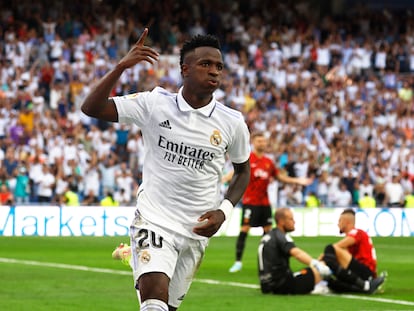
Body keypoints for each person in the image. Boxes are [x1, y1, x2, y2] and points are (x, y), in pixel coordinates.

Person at [81, 28, 251, 311]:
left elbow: (243, 171)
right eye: (205, 64)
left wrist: (224, 211)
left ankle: (132, 256)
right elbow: (91, 107)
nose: (214, 72)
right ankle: (140, 254)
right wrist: (121, 66)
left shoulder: (232, 122)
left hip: (197, 229)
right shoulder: (155, 104)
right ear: (185, 69)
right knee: (153, 304)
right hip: (154, 220)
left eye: (219, 67)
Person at [229, 132, 311, 273]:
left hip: (265, 203)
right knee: (244, 229)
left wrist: (297, 181)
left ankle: (266, 261)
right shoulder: (248, 159)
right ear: (253, 142)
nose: (262, 143)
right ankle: (238, 262)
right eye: (259, 141)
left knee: (267, 233)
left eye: (263, 141)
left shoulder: (269, 162)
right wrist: (223, 178)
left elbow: (280, 177)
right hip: (250, 202)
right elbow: (235, 173)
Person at [257, 207, 332, 294]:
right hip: (281, 285)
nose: (294, 222)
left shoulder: (269, 236)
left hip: (266, 285)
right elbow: (296, 253)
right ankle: (319, 286)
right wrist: (316, 264)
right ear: (281, 222)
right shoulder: (281, 236)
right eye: (291, 219)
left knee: (305, 272)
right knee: (319, 269)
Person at [321, 208, 385, 294]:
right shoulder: (356, 234)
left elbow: (335, 247)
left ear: (346, 222)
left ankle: (364, 285)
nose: (338, 224)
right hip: (364, 272)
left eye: (340, 221)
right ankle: (363, 287)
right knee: (332, 283)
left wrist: (317, 263)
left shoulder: (356, 232)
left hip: (365, 271)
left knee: (330, 249)